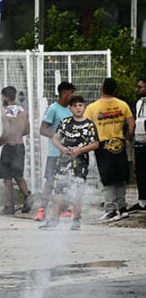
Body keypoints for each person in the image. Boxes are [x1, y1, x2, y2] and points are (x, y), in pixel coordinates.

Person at [39, 95, 99, 230]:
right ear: (70, 108)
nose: (78, 108)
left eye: (80, 105)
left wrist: (80, 150)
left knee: (78, 190)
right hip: (64, 161)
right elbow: (55, 139)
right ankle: (55, 219)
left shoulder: (89, 124)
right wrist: (62, 148)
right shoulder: (65, 122)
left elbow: (95, 144)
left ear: (84, 107)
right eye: (75, 106)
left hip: (80, 162)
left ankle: (76, 219)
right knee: (58, 189)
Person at [85, 77, 135, 222]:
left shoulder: (92, 107)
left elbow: (87, 126)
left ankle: (110, 210)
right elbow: (131, 124)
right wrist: (126, 139)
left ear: (102, 88)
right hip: (119, 143)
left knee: (107, 179)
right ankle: (123, 208)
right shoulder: (122, 105)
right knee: (120, 178)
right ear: (115, 90)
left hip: (102, 145)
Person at [38, 82, 77, 221]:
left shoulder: (71, 109)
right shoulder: (53, 109)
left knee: (65, 182)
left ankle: (64, 209)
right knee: (50, 181)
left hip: (67, 154)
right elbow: (42, 129)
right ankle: (42, 209)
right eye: (72, 93)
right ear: (65, 93)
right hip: (54, 153)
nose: (74, 96)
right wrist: (55, 136)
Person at [0, 86, 32, 214]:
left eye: (2, 96)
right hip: (20, 146)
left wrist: (0, 141)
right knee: (18, 175)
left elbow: (7, 132)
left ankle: (9, 205)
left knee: (7, 177)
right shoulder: (23, 111)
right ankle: (27, 197)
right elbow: (27, 130)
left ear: (6, 97)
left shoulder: (6, 113)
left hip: (9, 147)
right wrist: (18, 135)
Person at [130, 76, 146, 213]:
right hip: (139, 140)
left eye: (140, 87)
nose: (138, 89)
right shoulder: (139, 102)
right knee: (140, 172)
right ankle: (142, 202)